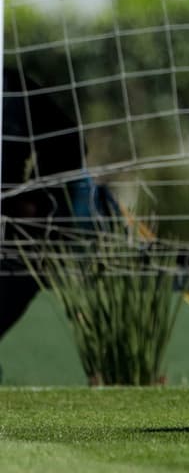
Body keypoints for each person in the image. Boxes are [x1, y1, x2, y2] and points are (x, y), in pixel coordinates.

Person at [0, 67, 89, 350]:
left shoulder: (14, 84)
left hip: (10, 234)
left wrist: (34, 198)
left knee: (22, 277)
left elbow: (70, 142)